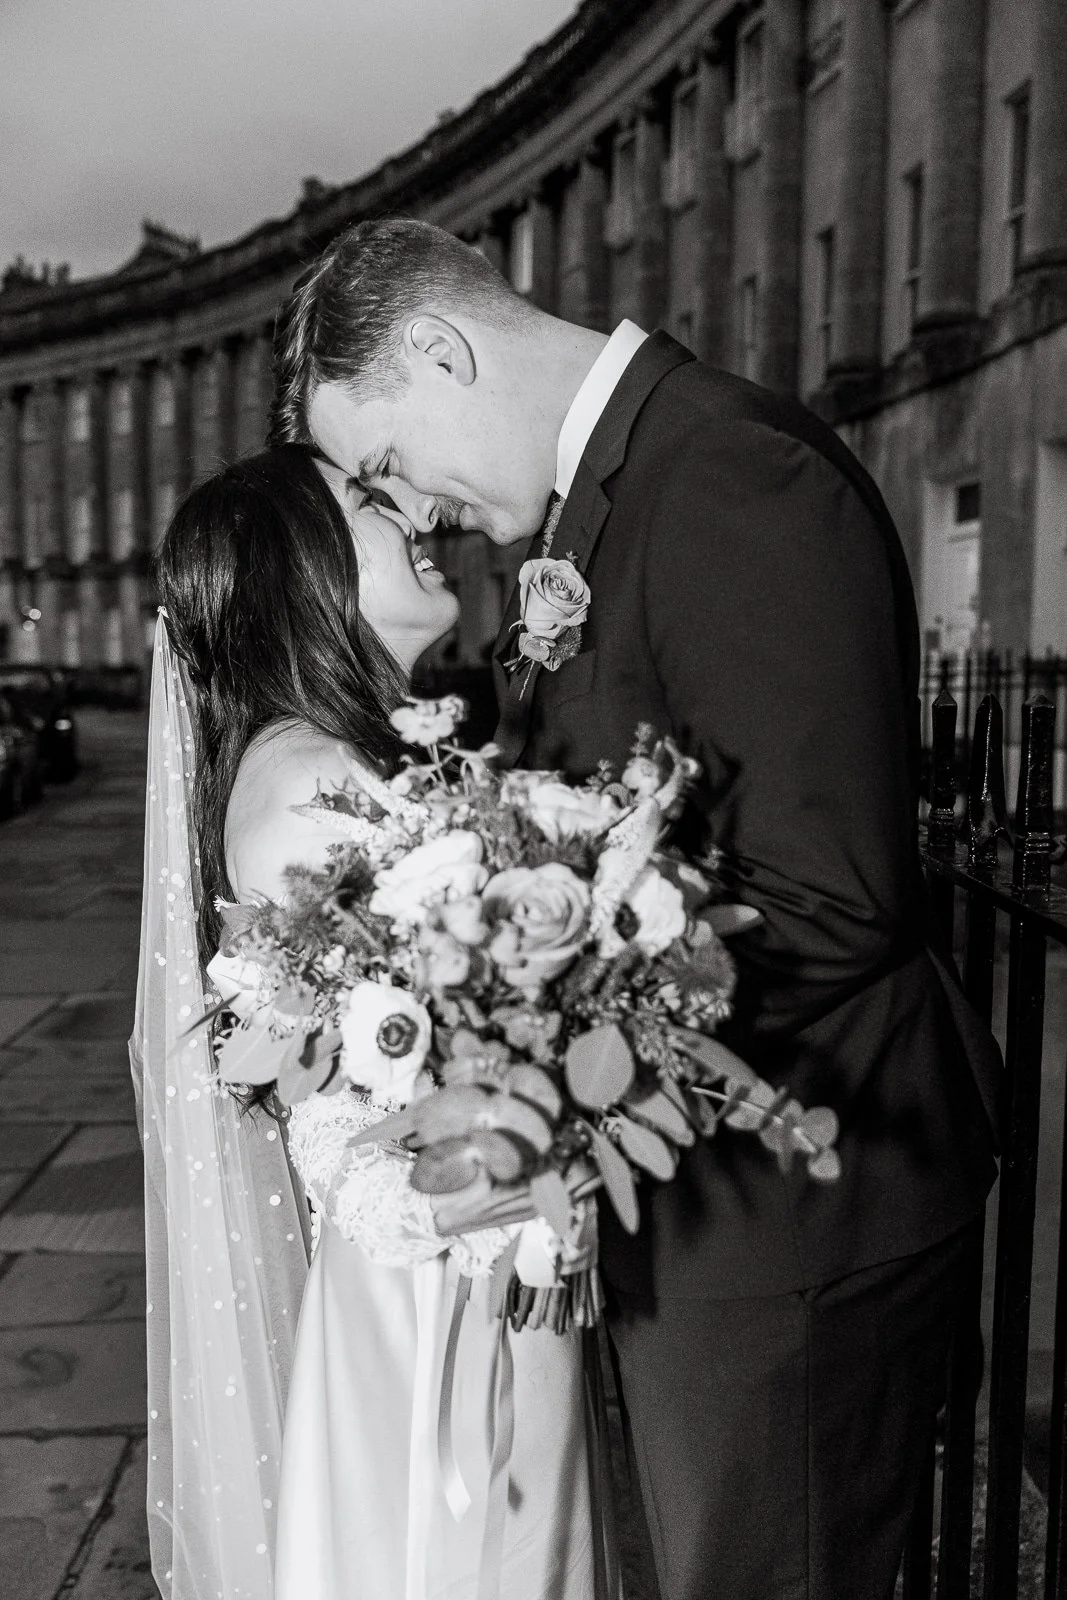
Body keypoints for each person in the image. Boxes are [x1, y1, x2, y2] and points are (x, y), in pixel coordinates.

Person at [268, 216, 1003, 1600]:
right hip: (696, 1216)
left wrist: (535, 1068)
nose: (410, 506)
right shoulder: (605, 499)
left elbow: (827, 892)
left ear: (436, 349)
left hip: (796, 1225)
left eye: (381, 461)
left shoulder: (726, 474)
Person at [133, 444, 611, 1600]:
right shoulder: (306, 783)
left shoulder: (345, 756)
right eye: (370, 502)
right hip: (439, 1296)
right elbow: (378, 1081)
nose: (414, 514)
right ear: (303, 575)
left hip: (468, 1257)